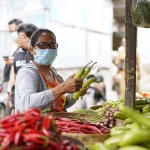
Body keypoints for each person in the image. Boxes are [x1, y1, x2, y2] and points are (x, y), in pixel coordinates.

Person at [15, 29, 85, 113]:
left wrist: (76, 93)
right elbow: (27, 103)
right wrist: (63, 88)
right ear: (32, 50)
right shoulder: (27, 73)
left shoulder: (55, 74)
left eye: (52, 45)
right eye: (42, 45)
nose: (48, 49)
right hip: (38, 125)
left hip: (58, 124)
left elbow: (60, 105)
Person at [8, 23, 38, 113]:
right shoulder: (17, 54)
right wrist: (10, 94)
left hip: (34, 101)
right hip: (18, 99)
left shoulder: (38, 54)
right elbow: (15, 76)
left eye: (22, 37)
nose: (18, 40)